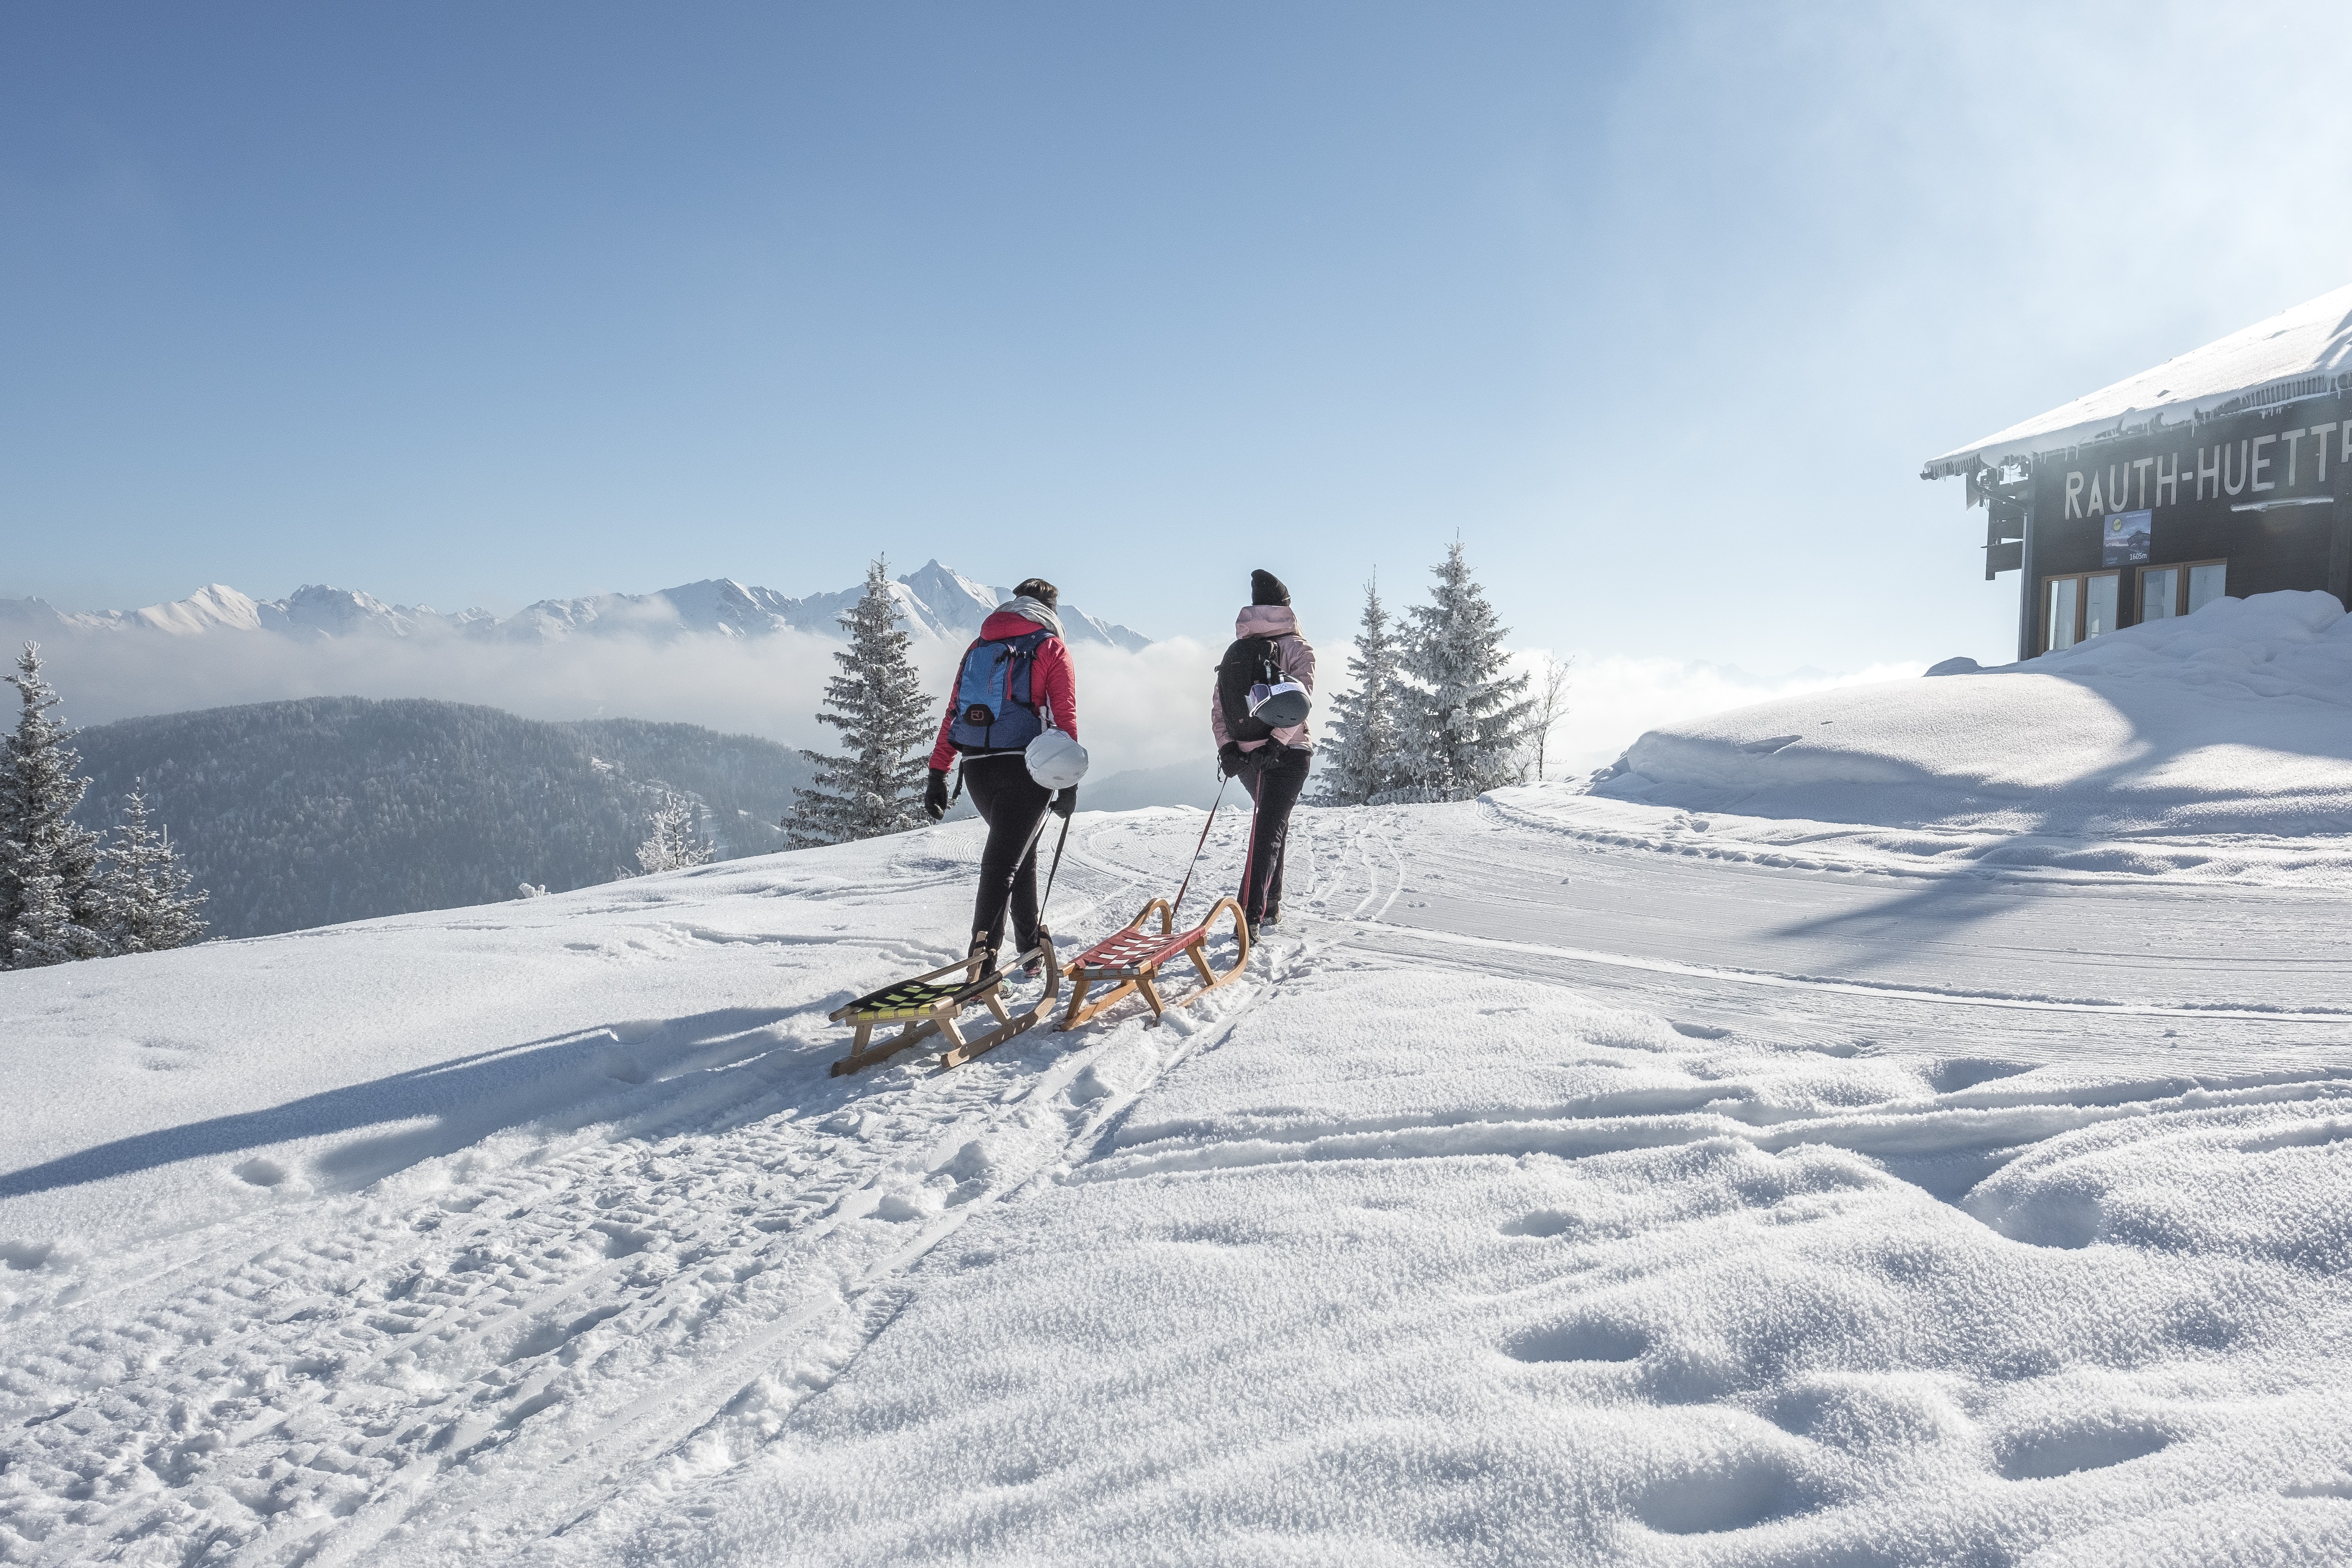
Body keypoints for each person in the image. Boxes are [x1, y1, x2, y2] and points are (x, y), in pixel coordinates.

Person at [923, 577, 1078, 972]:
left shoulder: (979, 647)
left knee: (1016, 852)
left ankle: (1028, 949)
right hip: (1029, 768)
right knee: (1002, 864)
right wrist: (1068, 780)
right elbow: (1064, 717)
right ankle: (982, 964)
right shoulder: (1049, 646)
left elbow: (954, 711)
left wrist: (938, 772)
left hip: (977, 769)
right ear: (1050, 609)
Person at [1212, 569, 1315, 940]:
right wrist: (1276, 743)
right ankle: (1249, 917)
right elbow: (1299, 704)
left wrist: (1227, 749)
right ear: (1285, 607)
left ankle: (1268, 906)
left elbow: (1219, 707)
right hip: (1287, 754)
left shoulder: (1236, 651)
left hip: (1244, 756)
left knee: (1270, 826)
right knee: (1269, 829)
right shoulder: (1297, 648)